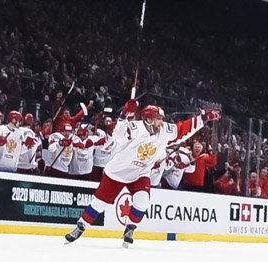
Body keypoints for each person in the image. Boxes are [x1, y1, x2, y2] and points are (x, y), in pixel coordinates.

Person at [64, 100, 217, 246]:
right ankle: (81, 227)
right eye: (158, 119)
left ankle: (130, 229)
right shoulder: (135, 128)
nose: (161, 122)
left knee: (142, 201)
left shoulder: (164, 130)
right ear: (149, 120)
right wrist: (125, 115)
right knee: (99, 204)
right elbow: (118, 134)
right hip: (117, 173)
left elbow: (184, 128)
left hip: (140, 173)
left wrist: (204, 117)